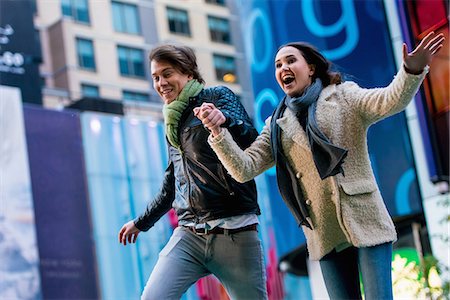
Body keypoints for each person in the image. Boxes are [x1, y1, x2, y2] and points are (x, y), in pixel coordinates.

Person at [194, 31, 445, 300]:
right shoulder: (276, 124)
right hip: (324, 232)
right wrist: (217, 132)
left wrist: (411, 70)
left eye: (290, 61)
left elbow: (388, 100)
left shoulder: (343, 96)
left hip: (364, 216)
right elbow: (244, 168)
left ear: (311, 68)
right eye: (278, 65)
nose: (283, 68)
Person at [118, 44, 268, 300]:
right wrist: (140, 223)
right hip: (189, 235)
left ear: (188, 74)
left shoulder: (217, 96)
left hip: (235, 234)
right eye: (156, 77)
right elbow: (171, 186)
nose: (161, 82)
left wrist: (224, 120)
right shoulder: (173, 123)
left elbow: (252, 140)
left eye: (167, 74)